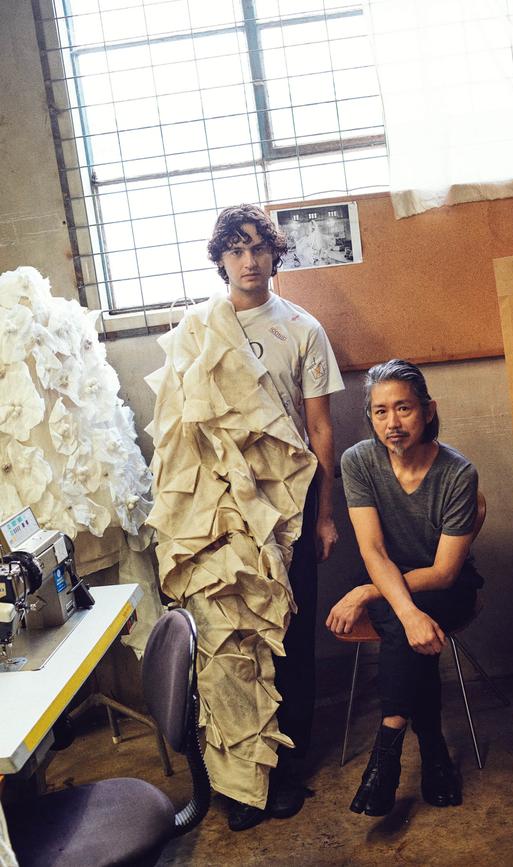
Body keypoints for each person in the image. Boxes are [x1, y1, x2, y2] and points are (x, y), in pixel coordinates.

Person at [206, 204, 344, 830]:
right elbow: (190, 434)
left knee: (289, 638)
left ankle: (288, 767)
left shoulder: (302, 328)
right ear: (221, 259)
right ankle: (239, 775)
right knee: (233, 643)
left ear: (275, 255)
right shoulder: (199, 329)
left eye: (259, 247)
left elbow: (320, 429)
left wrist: (323, 516)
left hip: (288, 508)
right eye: (236, 249)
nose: (249, 260)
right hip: (227, 513)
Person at [326, 358, 483, 817]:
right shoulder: (358, 462)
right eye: (380, 412)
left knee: (406, 617)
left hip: (443, 586)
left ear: (428, 410)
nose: (392, 423)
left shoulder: (459, 473)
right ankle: (433, 750)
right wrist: (404, 608)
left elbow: (445, 572)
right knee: (405, 623)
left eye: (404, 409)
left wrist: (368, 594)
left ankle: (386, 753)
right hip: (388, 577)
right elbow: (373, 551)